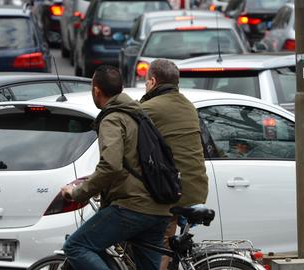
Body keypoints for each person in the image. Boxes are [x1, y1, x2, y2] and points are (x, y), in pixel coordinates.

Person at [61, 65, 171, 270]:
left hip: (132, 206)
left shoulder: (112, 118)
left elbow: (111, 166)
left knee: (76, 246)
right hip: (158, 206)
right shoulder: (138, 114)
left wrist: (78, 193)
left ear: (96, 90)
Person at [140, 59, 209, 270]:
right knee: (167, 247)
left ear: (152, 81)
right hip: (196, 188)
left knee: (158, 244)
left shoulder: (148, 108)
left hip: (173, 191)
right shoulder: (188, 105)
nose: (145, 86)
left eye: (145, 83)